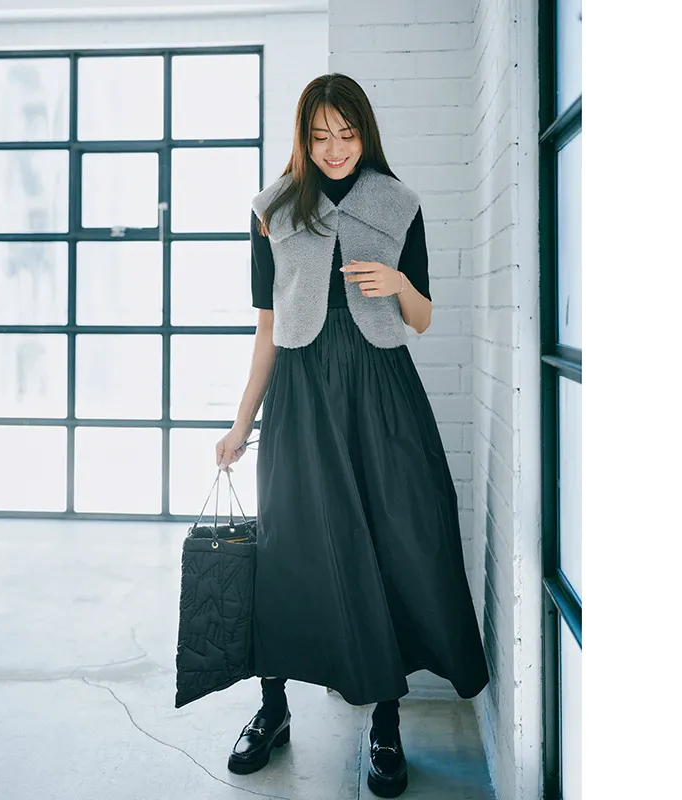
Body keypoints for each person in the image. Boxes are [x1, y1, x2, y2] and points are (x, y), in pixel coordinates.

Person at [214, 73, 489, 799]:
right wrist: (242, 421)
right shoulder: (272, 210)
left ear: (366, 133)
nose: (334, 148)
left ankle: (385, 721)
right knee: (289, 546)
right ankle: (272, 708)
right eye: (319, 136)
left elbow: (422, 318)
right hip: (302, 396)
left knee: (398, 540)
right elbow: (267, 328)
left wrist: (398, 284)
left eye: (347, 133)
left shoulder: (399, 203)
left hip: (382, 392)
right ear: (302, 140)